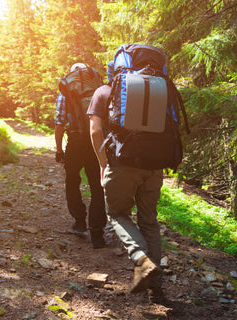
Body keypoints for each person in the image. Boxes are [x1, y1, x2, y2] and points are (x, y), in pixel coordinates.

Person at [87, 81, 165, 303]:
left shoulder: (103, 91)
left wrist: (102, 164)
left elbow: (95, 131)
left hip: (122, 164)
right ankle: (155, 286)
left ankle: (141, 259)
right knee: (149, 220)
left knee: (118, 214)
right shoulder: (157, 88)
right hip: (154, 165)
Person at [54, 62, 108, 249]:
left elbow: (60, 123)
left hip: (75, 143)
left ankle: (79, 222)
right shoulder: (99, 90)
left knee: (72, 181)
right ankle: (97, 233)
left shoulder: (66, 93)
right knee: (97, 185)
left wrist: (59, 149)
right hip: (95, 144)